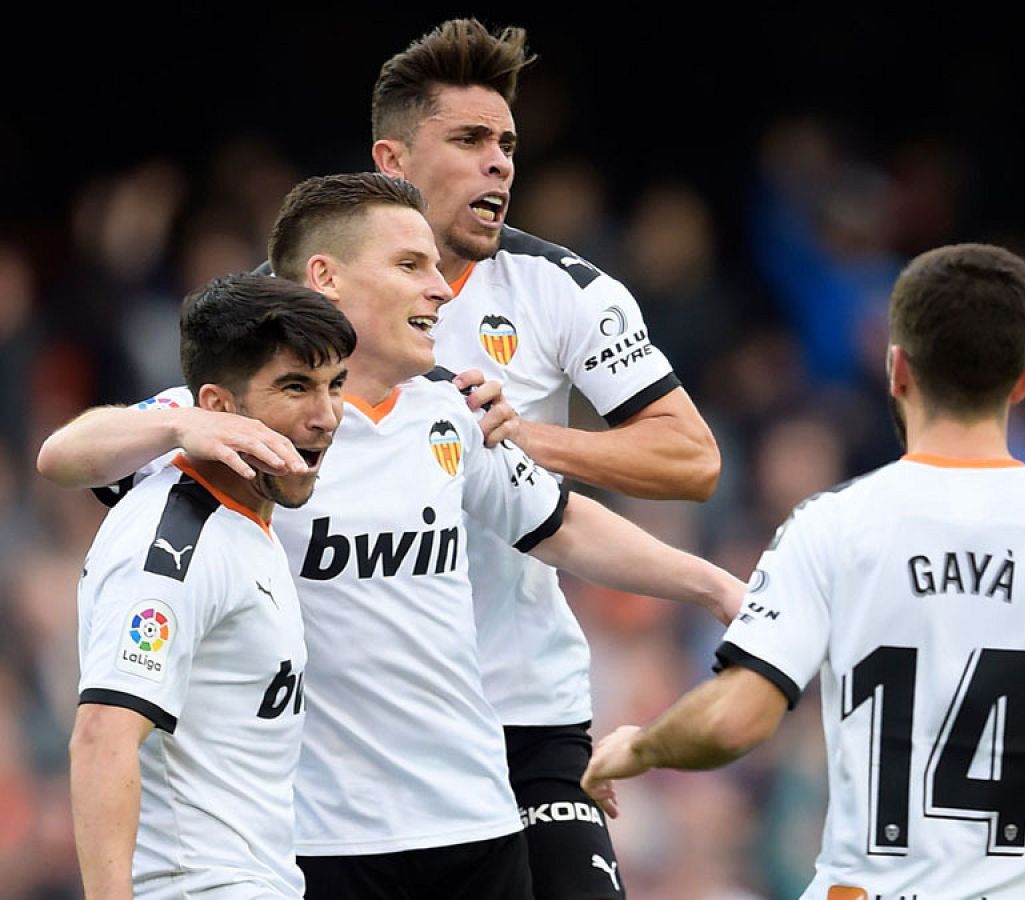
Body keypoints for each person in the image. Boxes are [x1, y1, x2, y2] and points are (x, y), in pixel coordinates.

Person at [38, 172, 746, 900]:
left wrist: (714, 585)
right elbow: (62, 456)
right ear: (327, 278)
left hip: (471, 816)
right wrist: (178, 422)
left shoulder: (449, 409)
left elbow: (558, 523)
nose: (441, 289)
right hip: (318, 835)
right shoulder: (247, 411)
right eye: (412, 266)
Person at [581, 243, 1025, 898]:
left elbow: (733, 721)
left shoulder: (829, 526)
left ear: (896, 370)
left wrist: (640, 747)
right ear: (1024, 380)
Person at [367, 19, 722, 897]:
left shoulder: (563, 289)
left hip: (527, 704)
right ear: (393, 160)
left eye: (509, 143)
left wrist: (526, 434)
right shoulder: (309, 301)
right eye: (470, 139)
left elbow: (691, 457)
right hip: (371, 718)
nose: (500, 163)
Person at [61, 273, 354, 899]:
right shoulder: (176, 546)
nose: (326, 417)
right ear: (217, 408)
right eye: (296, 388)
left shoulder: (242, 511)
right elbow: (102, 736)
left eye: (335, 386)